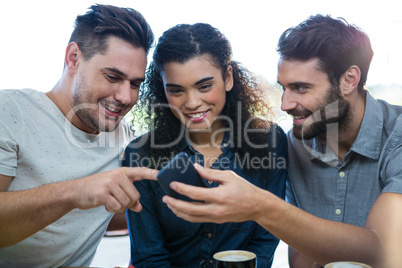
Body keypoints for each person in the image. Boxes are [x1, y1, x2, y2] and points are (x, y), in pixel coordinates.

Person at [161, 15, 402, 268]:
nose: (285, 104)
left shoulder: (396, 136)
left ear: (349, 80)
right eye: (284, 88)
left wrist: (259, 205)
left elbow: (384, 250)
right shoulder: (296, 144)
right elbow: (301, 258)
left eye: (300, 88)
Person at [0, 4, 158, 268]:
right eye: (112, 76)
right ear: (74, 58)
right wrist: (76, 192)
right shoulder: (10, 112)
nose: (126, 97)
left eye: (135, 84)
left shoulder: (126, 140)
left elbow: (131, 212)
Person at [122, 23, 288, 267]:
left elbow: (265, 239)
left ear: (228, 78)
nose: (191, 103)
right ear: (162, 87)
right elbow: (149, 257)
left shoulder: (269, 141)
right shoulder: (141, 154)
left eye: (204, 86)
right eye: (177, 90)